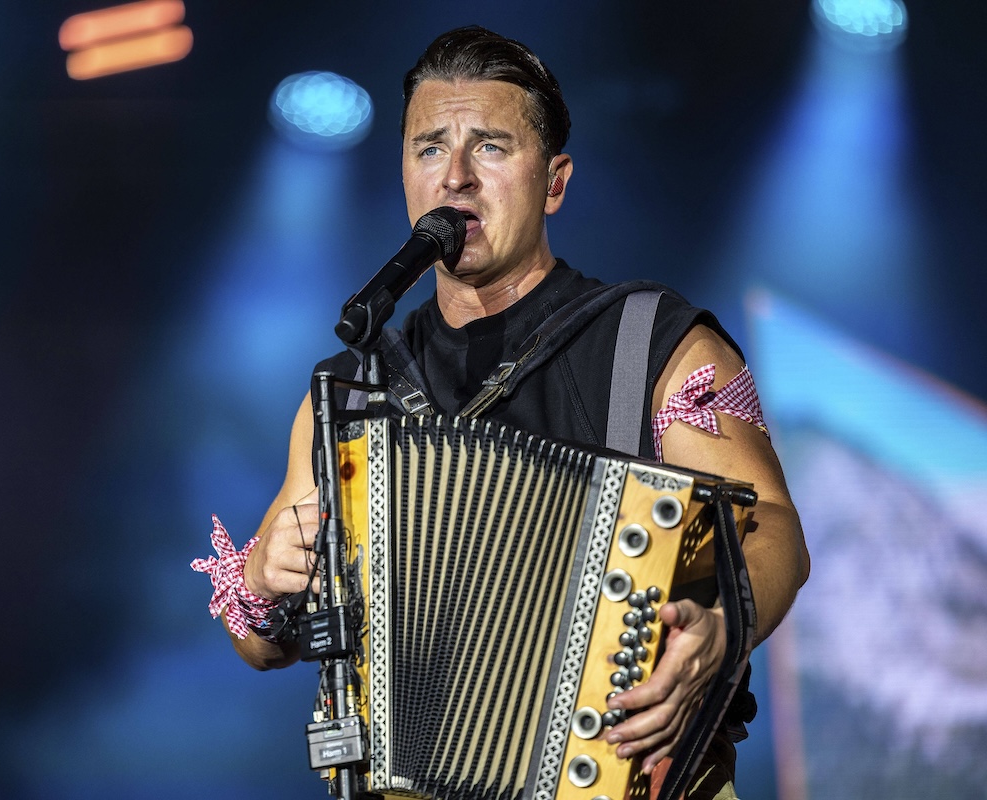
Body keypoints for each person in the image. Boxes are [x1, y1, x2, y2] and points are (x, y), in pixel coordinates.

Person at [193, 25, 809, 800]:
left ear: (554, 180)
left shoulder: (655, 345)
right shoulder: (352, 387)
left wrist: (723, 629)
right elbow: (259, 641)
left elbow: (776, 527)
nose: (455, 176)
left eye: (489, 146)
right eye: (428, 148)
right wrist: (262, 575)